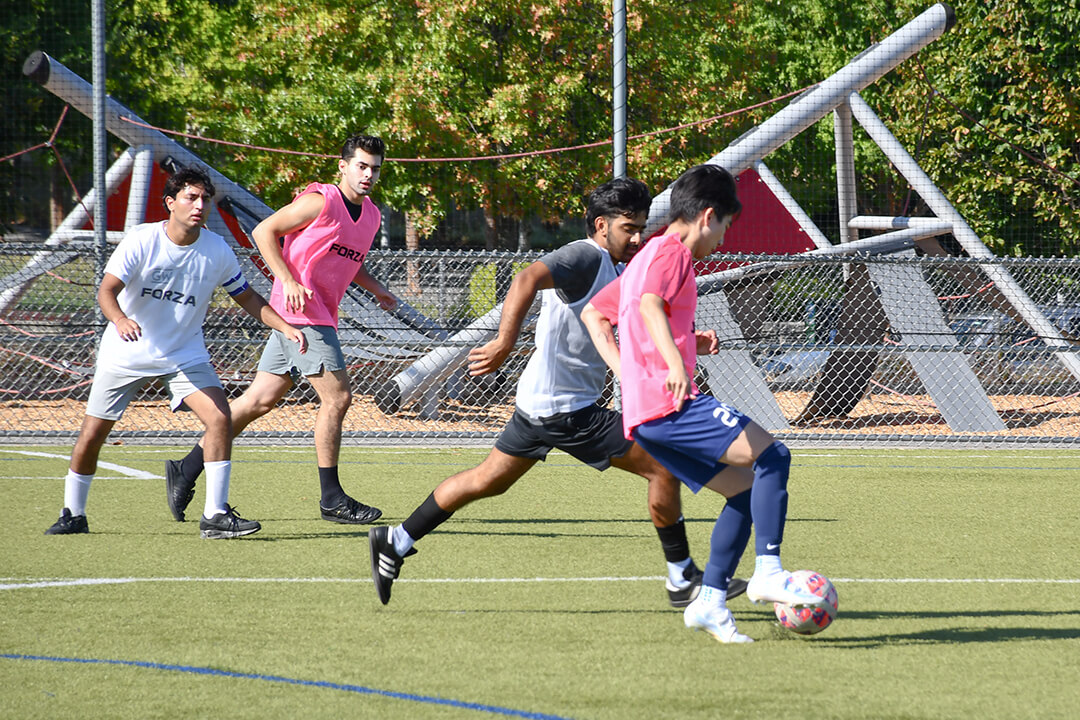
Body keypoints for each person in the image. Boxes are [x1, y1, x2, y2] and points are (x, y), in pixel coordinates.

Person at [368, 176, 752, 607]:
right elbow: (526, 278)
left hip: (541, 403)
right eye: (629, 228)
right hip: (567, 410)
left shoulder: (618, 267)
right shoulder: (584, 256)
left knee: (486, 481)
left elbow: (624, 327)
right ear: (601, 225)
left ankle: (395, 539)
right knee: (662, 466)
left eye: (642, 226)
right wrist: (503, 342)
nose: (638, 237)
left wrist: (690, 341)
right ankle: (682, 578)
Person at [580, 164, 825, 644]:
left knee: (743, 491)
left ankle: (710, 602)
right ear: (708, 216)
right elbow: (650, 306)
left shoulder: (645, 256)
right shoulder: (670, 253)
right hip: (668, 407)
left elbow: (596, 313)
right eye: (727, 227)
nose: (724, 240)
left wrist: (670, 352)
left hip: (645, 415)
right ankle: (768, 572)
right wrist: (673, 365)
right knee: (774, 456)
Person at [45, 167, 307, 539]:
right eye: (190, 197)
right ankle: (73, 513)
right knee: (91, 435)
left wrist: (285, 326)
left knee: (219, 419)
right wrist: (119, 319)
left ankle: (215, 515)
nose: (199, 205)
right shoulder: (141, 240)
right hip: (126, 352)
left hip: (184, 353)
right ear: (170, 202)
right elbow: (106, 291)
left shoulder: (216, 249)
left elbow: (246, 296)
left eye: (204, 199)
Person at [165, 135, 397, 526]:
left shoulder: (371, 215)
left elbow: (348, 258)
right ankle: (331, 498)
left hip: (315, 314)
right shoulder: (320, 200)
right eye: (361, 165)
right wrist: (287, 279)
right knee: (338, 398)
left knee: (258, 401)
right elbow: (263, 232)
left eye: (374, 167)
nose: (368, 174)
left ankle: (186, 469)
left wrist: (377, 289)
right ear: (343, 166)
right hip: (303, 314)